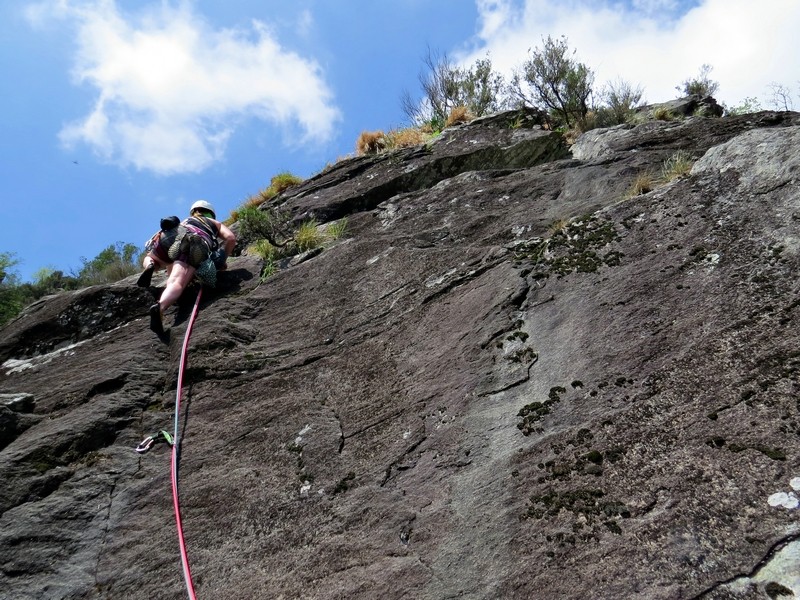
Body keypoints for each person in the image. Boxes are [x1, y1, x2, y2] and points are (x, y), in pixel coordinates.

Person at [139, 200, 236, 335]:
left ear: (194, 211)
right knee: (177, 282)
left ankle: (150, 265)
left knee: (153, 258)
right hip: (194, 240)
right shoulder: (214, 223)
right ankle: (160, 307)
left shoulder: (186, 220)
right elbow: (231, 238)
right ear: (211, 214)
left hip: (171, 235)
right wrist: (221, 259)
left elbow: (173, 263)